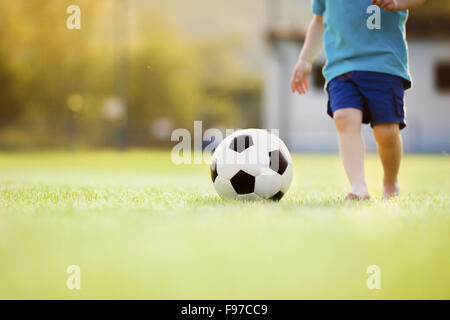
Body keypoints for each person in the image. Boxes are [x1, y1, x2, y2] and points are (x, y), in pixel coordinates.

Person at [291, 0, 426, 199]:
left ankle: (390, 183)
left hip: (384, 64)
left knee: (387, 132)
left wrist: (399, 2)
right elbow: (319, 21)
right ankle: (358, 187)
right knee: (344, 117)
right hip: (341, 65)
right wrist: (304, 60)